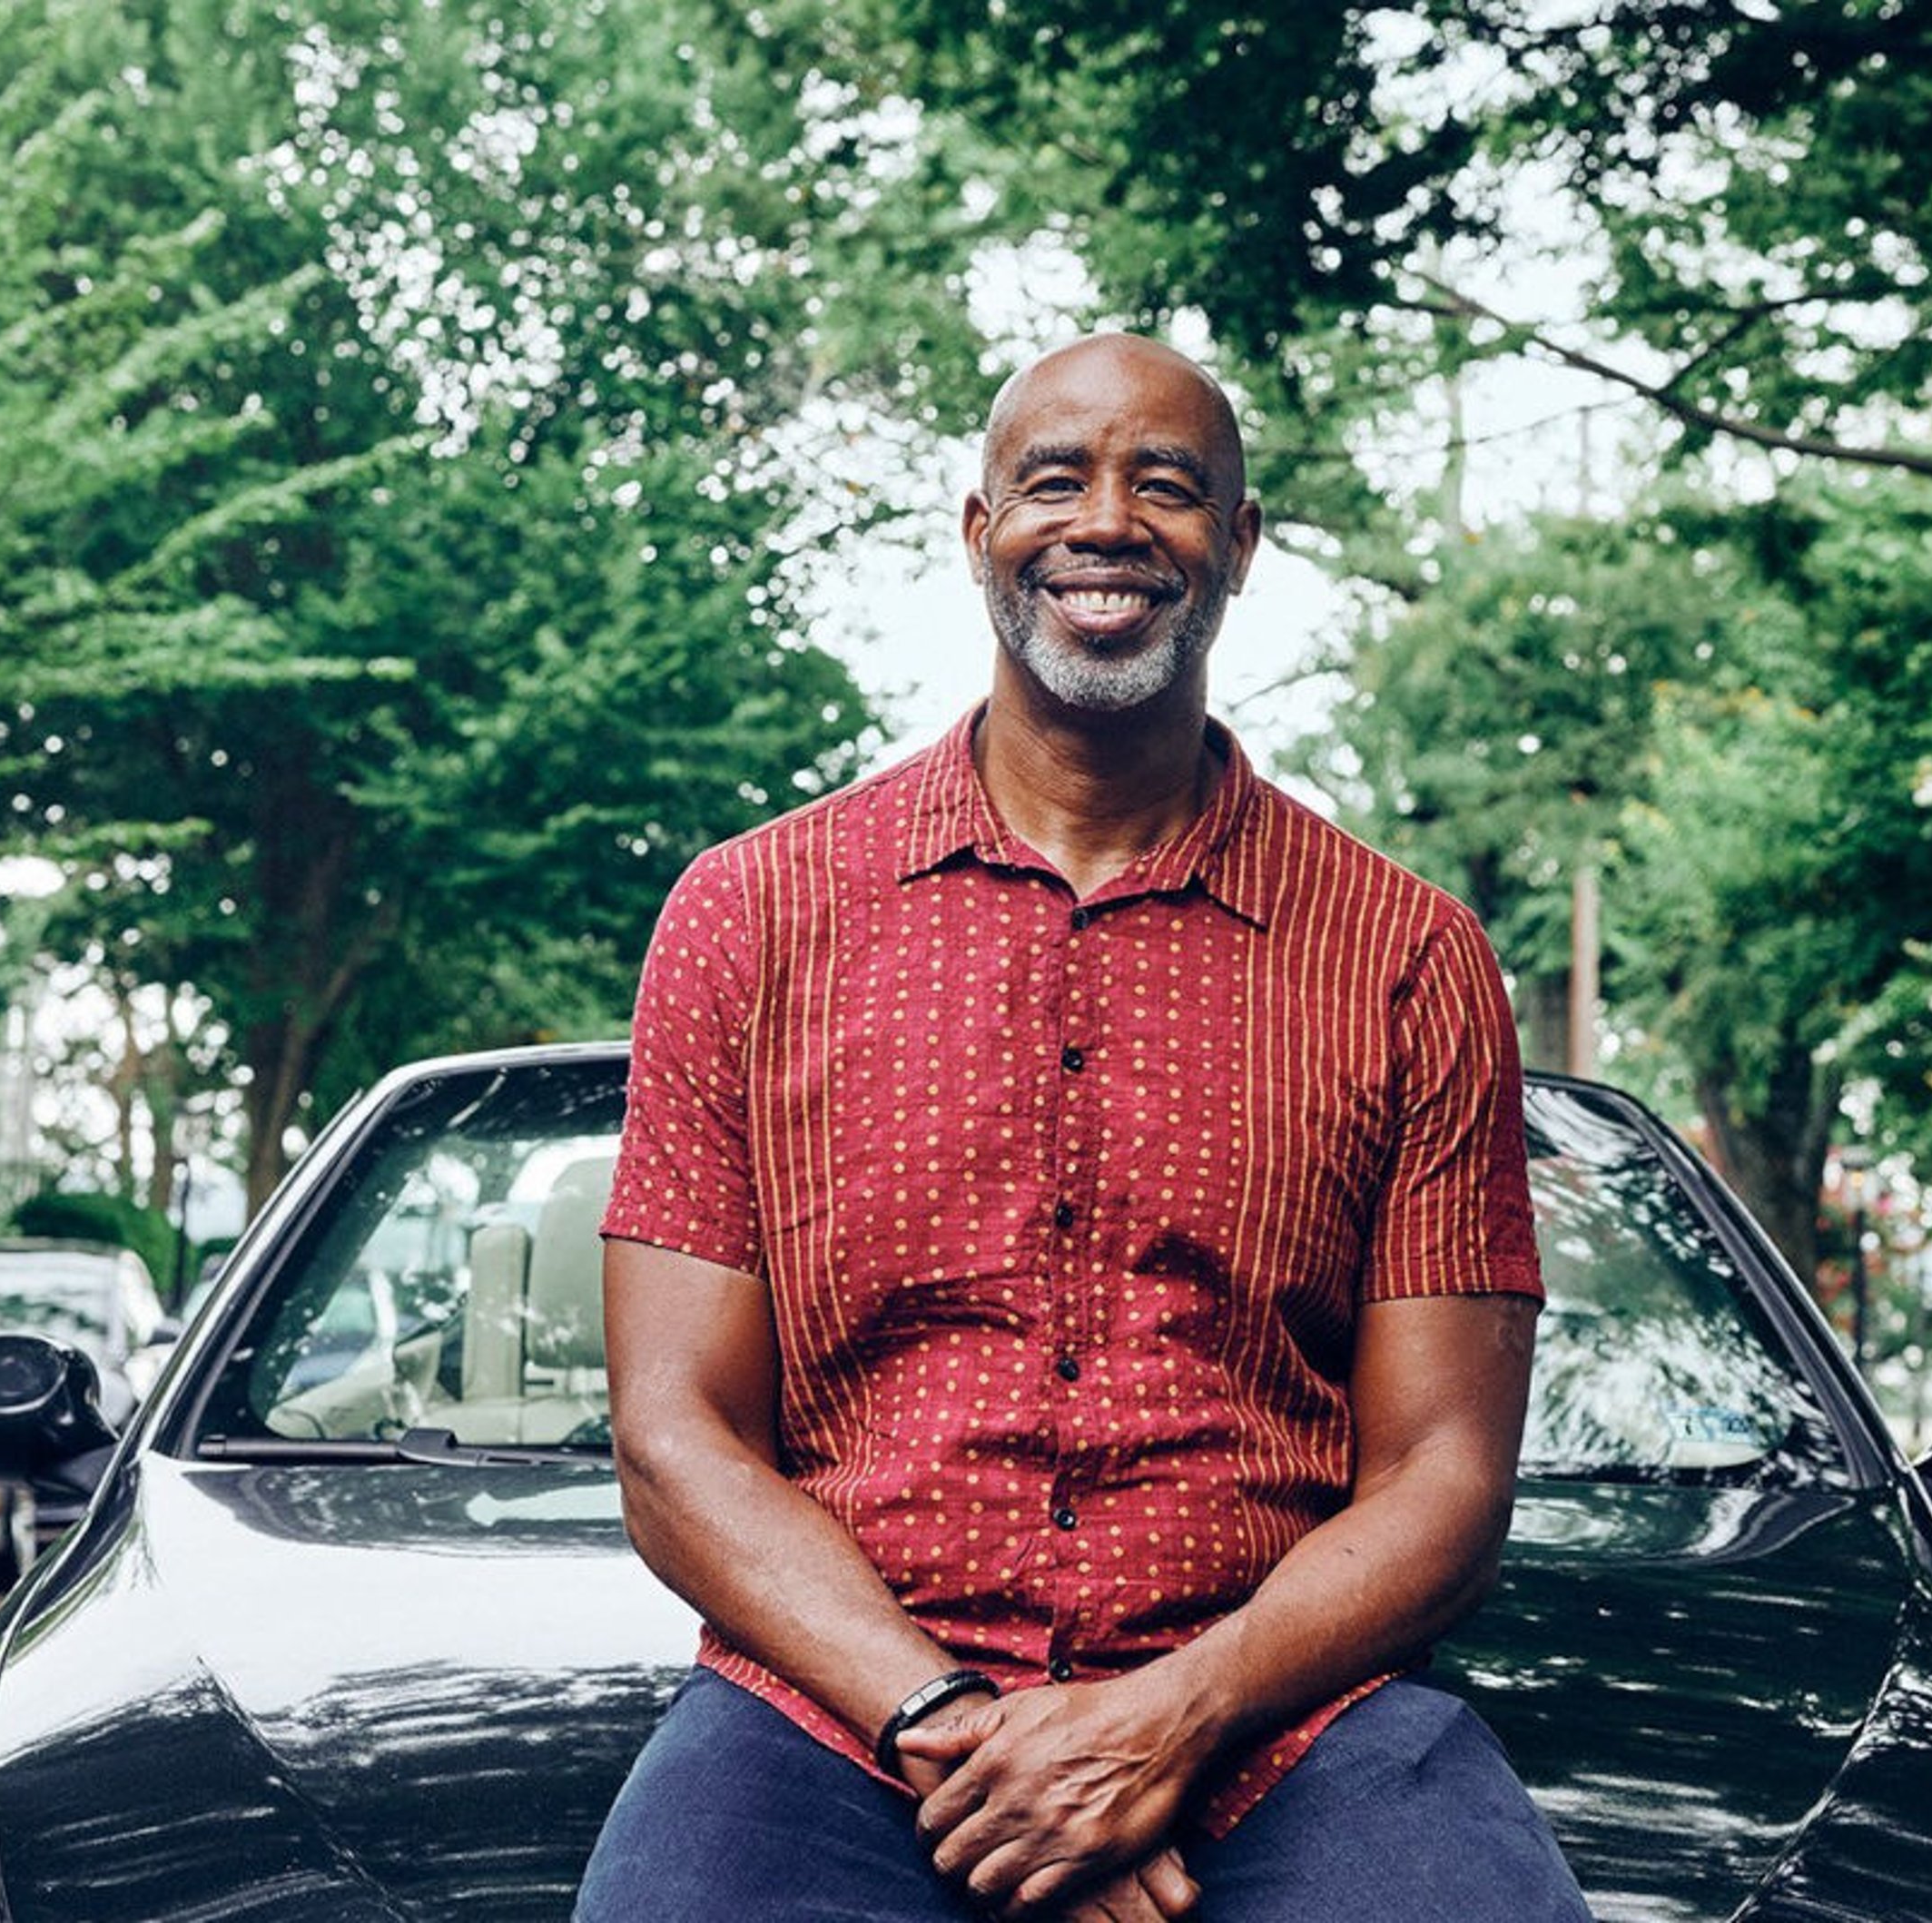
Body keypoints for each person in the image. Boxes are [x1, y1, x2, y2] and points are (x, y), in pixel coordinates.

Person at [580, 332, 1587, 1922]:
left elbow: (1446, 1477)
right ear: (978, 530)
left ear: (1237, 548)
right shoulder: (748, 918)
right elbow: (675, 1439)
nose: (1106, 521)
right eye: (1055, 479)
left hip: (1286, 1725)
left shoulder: (1408, 957)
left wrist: (1161, 1719)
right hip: (835, 1717)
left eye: (1168, 486)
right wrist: (968, 1737)